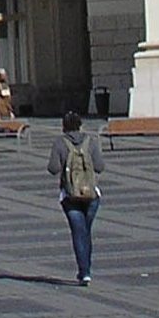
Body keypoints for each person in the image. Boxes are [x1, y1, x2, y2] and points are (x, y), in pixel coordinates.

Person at [48, 110, 105, 285]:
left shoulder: (60, 142)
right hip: (91, 195)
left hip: (70, 196)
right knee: (86, 232)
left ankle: (84, 271)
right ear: (81, 125)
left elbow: (53, 168)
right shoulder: (91, 141)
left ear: (63, 126)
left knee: (79, 233)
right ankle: (86, 268)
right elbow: (100, 167)